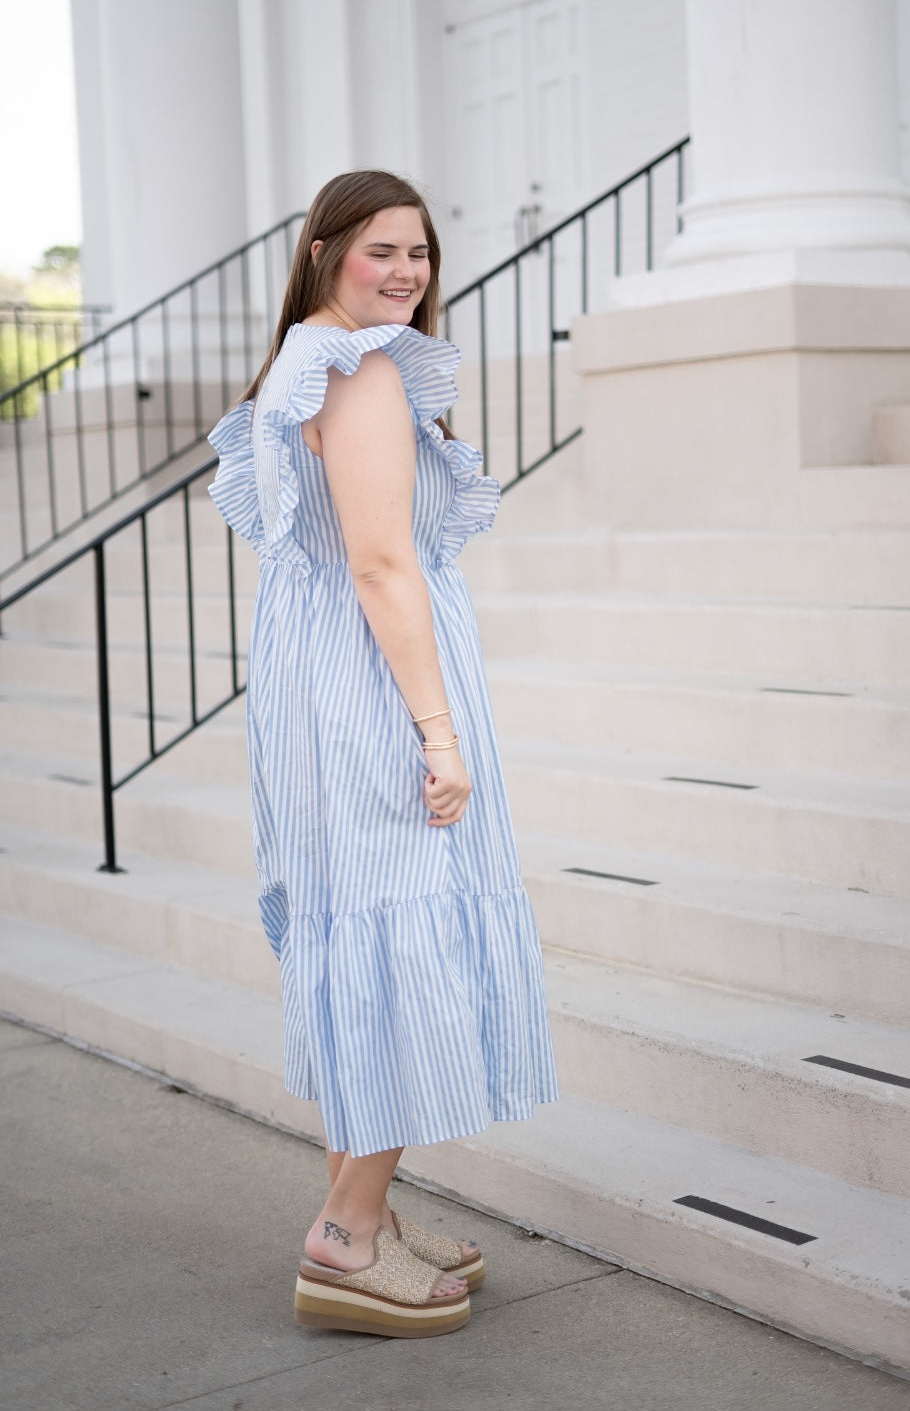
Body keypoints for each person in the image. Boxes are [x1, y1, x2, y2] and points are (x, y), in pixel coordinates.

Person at [207, 170, 558, 1339]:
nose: (406, 271)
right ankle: (347, 1238)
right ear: (322, 255)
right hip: (369, 686)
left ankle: (366, 1209)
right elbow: (379, 564)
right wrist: (440, 730)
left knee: (368, 926)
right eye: (380, 252)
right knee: (402, 923)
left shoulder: (305, 357)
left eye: (419, 251)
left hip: (323, 677)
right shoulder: (355, 371)